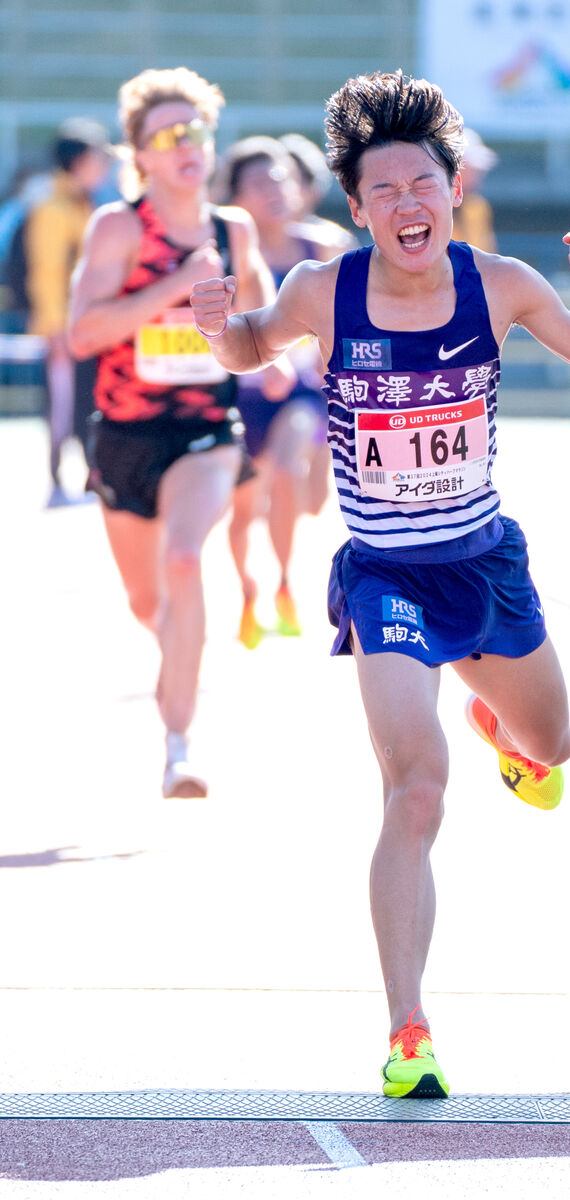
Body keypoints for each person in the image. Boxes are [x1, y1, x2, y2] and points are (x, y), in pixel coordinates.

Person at [190, 69, 570, 1097]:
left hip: (481, 563)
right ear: (356, 210)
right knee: (414, 787)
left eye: (422, 184)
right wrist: (221, 322)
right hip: (383, 573)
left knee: (552, 748)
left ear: (450, 190)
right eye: (383, 190)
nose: (406, 205)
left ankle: (504, 733)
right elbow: (246, 349)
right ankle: (408, 1031)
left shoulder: (501, 283)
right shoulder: (324, 292)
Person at [68, 66, 275, 798]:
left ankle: (178, 747)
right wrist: (172, 284)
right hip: (126, 434)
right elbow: (83, 332)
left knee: (185, 561)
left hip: (206, 430)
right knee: (146, 603)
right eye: (169, 135)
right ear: (142, 155)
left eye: (198, 130)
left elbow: (263, 319)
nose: (188, 145)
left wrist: (276, 361)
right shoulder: (119, 227)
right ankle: (179, 656)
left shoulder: (235, 229)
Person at [221, 136, 336, 643]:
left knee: (294, 477)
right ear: (232, 196)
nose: (272, 190)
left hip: (305, 391)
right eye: (256, 182)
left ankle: (286, 583)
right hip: (239, 396)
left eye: (281, 178)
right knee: (245, 509)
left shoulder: (325, 248)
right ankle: (249, 590)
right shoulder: (223, 253)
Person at [25, 119, 113, 502]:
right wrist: (55, 328)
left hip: (89, 329)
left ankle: (90, 475)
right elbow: (46, 272)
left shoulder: (83, 203)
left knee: (88, 402)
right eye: (98, 157)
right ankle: (56, 480)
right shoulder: (53, 208)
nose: (105, 166)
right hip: (64, 330)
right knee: (61, 407)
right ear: (78, 161)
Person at [279, 132, 359, 258]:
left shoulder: (335, 241)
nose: (279, 191)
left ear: (313, 189)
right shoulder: (251, 238)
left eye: (292, 181)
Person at [451, 128, 498, 253]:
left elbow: (488, 254)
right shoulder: (435, 208)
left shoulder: (478, 208)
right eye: (470, 169)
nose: (477, 175)